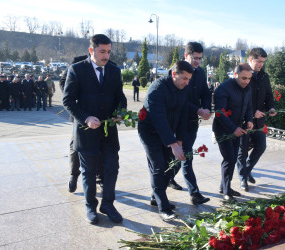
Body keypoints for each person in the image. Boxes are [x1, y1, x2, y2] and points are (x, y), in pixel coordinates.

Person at [63, 34, 127, 225]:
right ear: (91, 50)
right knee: (89, 172)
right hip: (86, 131)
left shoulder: (115, 71)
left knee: (112, 168)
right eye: (102, 51)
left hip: (108, 131)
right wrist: (86, 117)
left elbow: (120, 97)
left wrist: (121, 111)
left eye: (108, 51)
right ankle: (91, 206)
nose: (106, 56)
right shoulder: (76, 69)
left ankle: (108, 204)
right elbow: (67, 101)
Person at [138, 60, 193, 221]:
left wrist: (180, 139)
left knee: (170, 166)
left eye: (189, 79)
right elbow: (158, 118)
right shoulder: (157, 88)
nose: (187, 82)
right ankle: (164, 207)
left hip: (168, 133)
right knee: (158, 166)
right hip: (150, 131)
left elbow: (183, 115)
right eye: (184, 78)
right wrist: (173, 143)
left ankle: (156, 197)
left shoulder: (183, 88)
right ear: (174, 74)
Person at [168, 42, 211, 205]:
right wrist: (198, 110)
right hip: (178, 121)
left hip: (193, 121)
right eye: (195, 58)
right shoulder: (177, 71)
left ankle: (168, 177)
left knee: (182, 156)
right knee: (187, 156)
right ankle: (194, 193)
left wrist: (206, 107)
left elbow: (205, 92)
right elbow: (179, 99)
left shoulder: (200, 73)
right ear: (186, 56)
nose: (198, 62)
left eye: (200, 58)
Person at [236, 48, 276, 192]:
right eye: (259, 61)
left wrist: (271, 107)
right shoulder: (244, 74)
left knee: (261, 146)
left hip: (259, 122)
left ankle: (246, 171)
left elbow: (269, 95)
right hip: (244, 120)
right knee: (242, 151)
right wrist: (252, 113)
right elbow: (239, 99)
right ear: (251, 59)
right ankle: (243, 179)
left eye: (263, 62)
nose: (261, 65)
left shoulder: (264, 76)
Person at [213, 63, 254, 201]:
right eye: (243, 78)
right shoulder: (223, 89)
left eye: (249, 78)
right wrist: (233, 129)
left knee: (233, 157)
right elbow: (220, 113)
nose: (246, 81)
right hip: (223, 130)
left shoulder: (248, 88)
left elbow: (249, 106)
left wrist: (249, 120)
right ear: (235, 74)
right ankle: (226, 192)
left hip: (238, 129)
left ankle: (224, 186)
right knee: (229, 159)